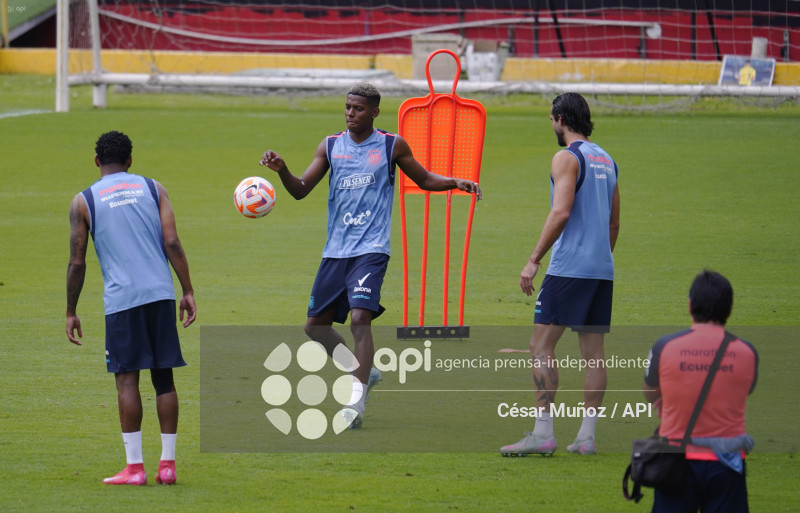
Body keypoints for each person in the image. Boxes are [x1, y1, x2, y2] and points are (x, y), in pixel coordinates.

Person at [259, 82, 482, 428]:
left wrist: (455, 181)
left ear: (374, 112)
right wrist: (283, 170)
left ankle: (355, 403)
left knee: (360, 319)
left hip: (372, 249)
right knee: (315, 327)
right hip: (336, 251)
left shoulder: (392, 146)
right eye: (347, 107)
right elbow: (301, 191)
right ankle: (364, 371)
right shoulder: (331, 146)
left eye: (358, 109)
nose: (350, 114)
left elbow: (423, 179)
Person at [66, 131, 196, 486]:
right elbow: (171, 241)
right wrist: (187, 289)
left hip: (122, 301)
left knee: (127, 380)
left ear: (97, 162)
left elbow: (77, 263)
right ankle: (167, 466)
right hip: (160, 293)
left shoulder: (84, 201)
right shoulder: (154, 189)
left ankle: (135, 468)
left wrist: (71, 310)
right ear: (130, 160)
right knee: (164, 378)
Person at [501, 92, 620, 456]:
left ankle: (543, 434)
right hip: (601, 269)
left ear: (559, 118)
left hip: (569, 268)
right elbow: (614, 223)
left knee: (540, 346)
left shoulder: (566, 157)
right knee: (593, 354)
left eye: (551, 119)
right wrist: (598, 257)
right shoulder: (607, 159)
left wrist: (534, 258)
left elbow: (561, 212)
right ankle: (586, 438)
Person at [642, 270, 758, 513]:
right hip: (728, 463)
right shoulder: (747, 352)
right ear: (730, 307)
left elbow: (650, 392)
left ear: (690, 305)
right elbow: (744, 391)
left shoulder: (665, 346)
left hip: (677, 460)